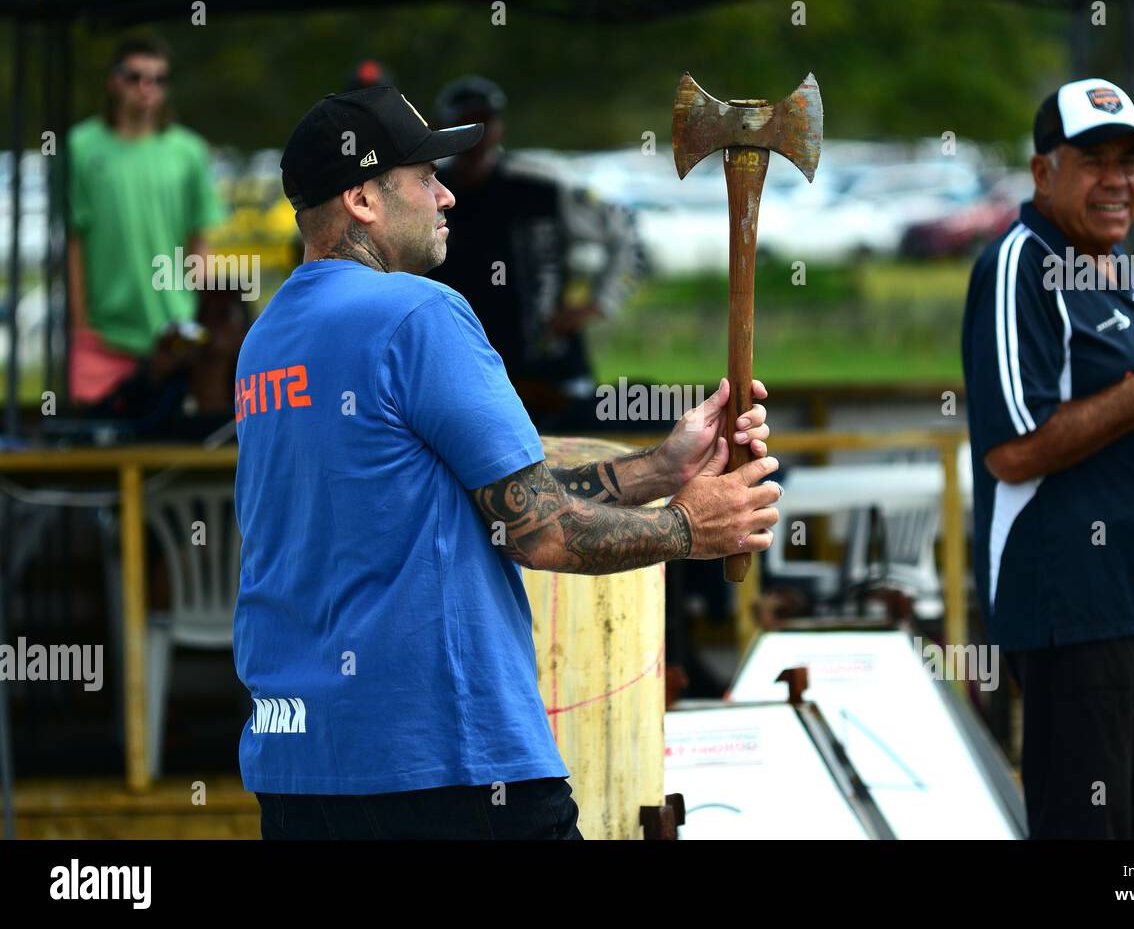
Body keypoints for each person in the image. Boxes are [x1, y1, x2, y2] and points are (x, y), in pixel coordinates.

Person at [234, 85, 779, 839]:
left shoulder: (266, 341)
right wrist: (691, 529)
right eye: (425, 177)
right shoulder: (420, 314)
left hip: (299, 769)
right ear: (362, 198)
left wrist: (661, 470)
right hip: (448, 761)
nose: (447, 194)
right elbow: (540, 533)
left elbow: (494, 503)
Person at [961, 78, 1134, 839]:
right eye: (1094, 162)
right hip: (1072, 614)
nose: (1117, 181)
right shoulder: (1021, 265)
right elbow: (1013, 450)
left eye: (1128, 162)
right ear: (1043, 171)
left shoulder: (1108, 265)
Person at [426, 75, 640, 430]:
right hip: (463, 374)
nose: (477, 132)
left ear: (500, 126)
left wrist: (598, 303)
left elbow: (625, 232)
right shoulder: (430, 188)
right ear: (442, 128)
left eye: (485, 120)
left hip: (550, 370)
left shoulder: (541, 185)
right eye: (464, 122)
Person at [68, 33, 230, 408]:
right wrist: (80, 326)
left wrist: (200, 319)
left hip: (175, 335)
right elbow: (74, 242)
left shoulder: (189, 151)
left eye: (158, 79)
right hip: (102, 337)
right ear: (113, 81)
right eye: (135, 76)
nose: (147, 88)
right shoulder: (80, 147)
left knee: (173, 452)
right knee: (96, 452)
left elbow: (200, 241)